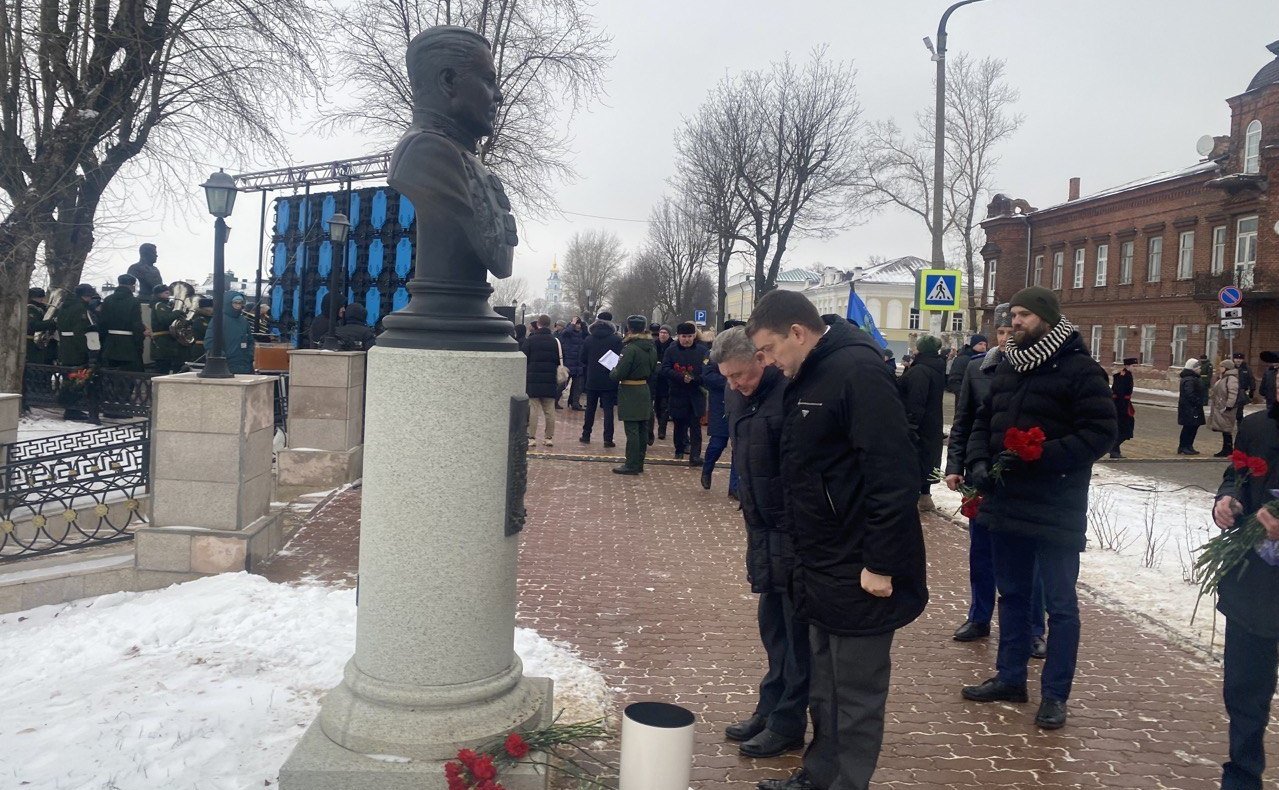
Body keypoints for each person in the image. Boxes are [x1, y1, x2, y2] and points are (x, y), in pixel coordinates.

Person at [746, 291, 927, 790]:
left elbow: (893, 474)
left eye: (769, 350)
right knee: (824, 686)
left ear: (798, 333)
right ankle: (819, 775)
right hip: (819, 559)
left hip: (859, 566)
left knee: (856, 695)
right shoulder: (808, 373)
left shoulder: (856, 372)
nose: (767, 362)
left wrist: (881, 564)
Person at [960, 286, 1115, 731]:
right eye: (1013, 315)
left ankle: (1054, 694)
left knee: (1061, 605)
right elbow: (984, 422)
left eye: (1024, 314)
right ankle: (1010, 678)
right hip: (1006, 503)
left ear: (1047, 317)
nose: (1015, 322)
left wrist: (1041, 455)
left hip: (1055, 507)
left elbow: (1101, 433)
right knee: (1012, 594)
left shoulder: (1081, 371)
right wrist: (979, 462)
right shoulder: (1008, 365)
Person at [713, 326, 811, 759]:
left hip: (794, 529)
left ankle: (789, 722)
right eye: (728, 379)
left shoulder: (790, 392)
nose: (735, 385)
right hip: (760, 527)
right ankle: (769, 708)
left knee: (797, 632)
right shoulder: (738, 396)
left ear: (761, 358)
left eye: (741, 375)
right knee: (773, 627)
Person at [944, 304, 1047, 655]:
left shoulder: (1037, 367)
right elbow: (964, 421)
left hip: (1023, 475)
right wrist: (955, 464)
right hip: (981, 472)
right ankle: (979, 616)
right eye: (1000, 333)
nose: (1005, 337)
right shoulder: (978, 369)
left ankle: (1034, 628)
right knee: (981, 551)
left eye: (1009, 331)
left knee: (1027, 555)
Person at [1212, 401, 1279, 790]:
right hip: (1255, 583)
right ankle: (1242, 774)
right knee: (1245, 688)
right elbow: (1235, 477)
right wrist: (1228, 501)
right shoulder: (1256, 427)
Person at [899, 334, 946, 511]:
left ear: (921, 349)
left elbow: (915, 401)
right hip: (930, 425)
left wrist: (909, 427)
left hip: (918, 428)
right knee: (926, 460)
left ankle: (915, 501)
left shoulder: (920, 371)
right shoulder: (934, 367)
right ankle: (924, 497)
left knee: (915, 462)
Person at [610, 315, 659, 474]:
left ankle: (631, 464)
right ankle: (639, 462)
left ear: (629, 329)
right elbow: (653, 370)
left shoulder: (630, 348)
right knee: (642, 429)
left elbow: (620, 373)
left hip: (630, 391)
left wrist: (613, 372)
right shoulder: (651, 347)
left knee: (631, 429)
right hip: (644, 389)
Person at [663, 321, 707, 465]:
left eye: (689, 336)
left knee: (695, 427)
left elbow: (707, 370)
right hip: (678, 393)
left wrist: (696, 379)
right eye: (683, 336)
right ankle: (679, 449)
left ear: (694, 336)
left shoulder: (702, 351)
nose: (687, 339)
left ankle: (695, 455)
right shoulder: (671, 350)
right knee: (679, 424)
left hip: (695, 394)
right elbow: (665, 369)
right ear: (678, 336)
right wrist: (680, 377)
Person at [579, 311, 622, 448]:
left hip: (592, 379)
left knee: (590, 408)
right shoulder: (616, 340)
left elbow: (582, 359)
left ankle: (586, 435)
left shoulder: (589, 339)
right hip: (609, 379)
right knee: (608, 410)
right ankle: (608, 439)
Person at [99, 274, 148, 371]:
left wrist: (104, 342)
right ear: (132, 286)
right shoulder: (133, 301)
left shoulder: (107, 300)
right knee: (129, 376)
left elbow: (102, 323)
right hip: (129, 346)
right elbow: (136, 325)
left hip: (110, 345)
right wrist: (139, 344)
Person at [523, 314, 559, 447]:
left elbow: (524, 357)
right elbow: (559, 359)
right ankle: (548, 437)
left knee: (533, 410)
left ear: (538, 323)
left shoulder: (531, 340)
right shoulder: (555, 341)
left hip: (533, 379)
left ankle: (531, 437)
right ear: (549, 324)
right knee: (549, 410)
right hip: (550, 379)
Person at [204, 291, 255, 374]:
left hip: (244, 366)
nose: (238, 305)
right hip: (225, 367)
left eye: (240, 303)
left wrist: (249, 356)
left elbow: (250, 341)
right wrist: (221, 357)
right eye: (235, 303)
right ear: (228, 303)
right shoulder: (218, 319)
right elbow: (210, 342)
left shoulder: (243, 321)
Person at [149, 284, 184, 375]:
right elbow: (164, 320)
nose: (169, 295)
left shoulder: (166, 305)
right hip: (161, 341)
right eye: (166, 293)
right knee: (161, 369)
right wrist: (176, 312)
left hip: (168, 342)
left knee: (167, 367)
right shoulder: (159, 305)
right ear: (159, 294)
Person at [1210, 358, 1241, 457]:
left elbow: (1233, 393)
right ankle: (1226, 449)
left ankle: (1228, 449)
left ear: (1227, 367)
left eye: (1222, 366)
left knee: (1226, 429)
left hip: (1227, 408)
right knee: (1224, 429)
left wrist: (1228, 406)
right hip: (1221, 407)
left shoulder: (1231, 378)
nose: (1220, 368)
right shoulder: (1224, 377)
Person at [1177, 357, 1205, 455]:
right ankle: (1185, 446)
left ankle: (1186, 446)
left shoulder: (1192, 378)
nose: (1200, 369)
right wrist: (1198, 401)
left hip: (1191, 408)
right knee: (1189, 428)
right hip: (1191, 408)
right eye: (1198, 367)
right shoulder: (1190, 379)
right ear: (1193, 368)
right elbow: (1190, 394)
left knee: (1190, 428)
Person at [650, 325, 674, 442]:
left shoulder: (673, 346)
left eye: (665, 333)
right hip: (655, 380)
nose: (663, 334)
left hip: (667, 381)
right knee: (657, 406)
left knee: (664, 406)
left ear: (669, 334)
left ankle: (662, 429)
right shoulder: (653, 345)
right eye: (661, 332)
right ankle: (659, 423)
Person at [1110, 357, 1137, 458]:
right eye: (1133, 366)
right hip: (1121, 405)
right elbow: (1119, 392)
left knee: (1123, 427)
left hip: (1124, 404)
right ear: (1127, 365)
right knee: (1125, 428)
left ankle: (1115, 450)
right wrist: (1122, 408)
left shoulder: (1126, 374)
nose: (1134, 368)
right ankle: (1113, 448)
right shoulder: (1124, 376)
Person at [558, 317, 587, 410]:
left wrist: (584, 325)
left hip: (578, 363)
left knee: (578, 386)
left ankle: (575, 402)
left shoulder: (582, 334)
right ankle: (555, 400)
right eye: (576, 324)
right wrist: (572, 324)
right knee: (562, 384)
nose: (578, 326)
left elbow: (588, 334)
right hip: (568, 362)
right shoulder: (567, 333)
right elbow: (565, 333)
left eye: (579, 324)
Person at [25, 287, 58, 365]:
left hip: (43, 342)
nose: (42, 299)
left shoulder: (42, 308)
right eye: (40, 297)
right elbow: (32, 326)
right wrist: (52, 322)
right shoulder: (30, 308)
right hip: (31, 343)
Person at [186, 297, 214, 368]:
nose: (212, 310)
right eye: (210, 308)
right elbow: (206, 331)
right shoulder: (198, 319)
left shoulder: (212, 318)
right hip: (200, 348)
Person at [1234, 352, 1256, 432]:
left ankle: (1240, 426)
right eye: (1237, 359)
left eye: (1240, 359)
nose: (1238, 360)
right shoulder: (1231, 367)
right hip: (1232, 391)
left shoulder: (1246, 368)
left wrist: (1252, 391)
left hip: (1242, 392)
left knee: (1239, 410)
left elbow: (1251, 379)